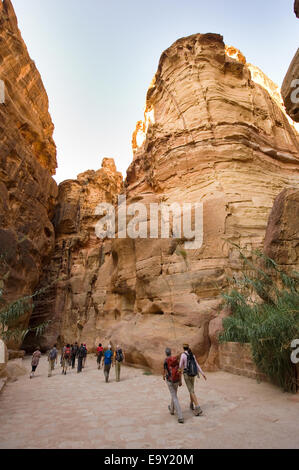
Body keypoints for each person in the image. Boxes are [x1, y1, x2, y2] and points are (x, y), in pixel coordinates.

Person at [179, 343, 207, 416]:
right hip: (193, 374)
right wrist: (202, 373)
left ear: (183, 348)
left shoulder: (183, 355)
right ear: (188, 348)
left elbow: (180, 366)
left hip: (186, 374)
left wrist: (179, 374)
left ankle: (198, 407)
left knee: (191, 390)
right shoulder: (192, 355)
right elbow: (197, 365)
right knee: (192, 390)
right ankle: (191, 404)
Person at [163, 347, 184, 424]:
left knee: (174, 397)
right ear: (170, 352)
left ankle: (180, 416)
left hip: (170, 380)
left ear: (166, 353)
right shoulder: (175, 359)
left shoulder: (166, 360)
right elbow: (179, 370)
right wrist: (181, 380)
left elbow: (164, 370)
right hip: (176, 380)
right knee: (174, 394)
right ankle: (172, 409)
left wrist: (163, 376)